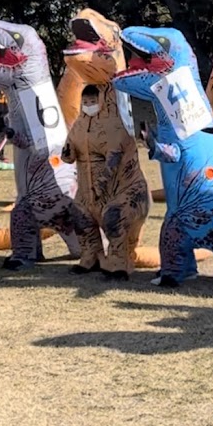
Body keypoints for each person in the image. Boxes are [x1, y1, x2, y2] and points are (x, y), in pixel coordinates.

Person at [61, 84, 150, 280]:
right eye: (85, 102)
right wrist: (67, 152)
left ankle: (119, 264)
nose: (88, 105)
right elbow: (69, 153)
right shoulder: (79, 125)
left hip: (113, 190)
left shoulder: (114, 126)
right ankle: (91, 257)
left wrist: (102, 183)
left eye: (92, 102)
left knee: (114, 220)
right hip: (87, 189)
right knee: (81, 217)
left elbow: (114, 157)